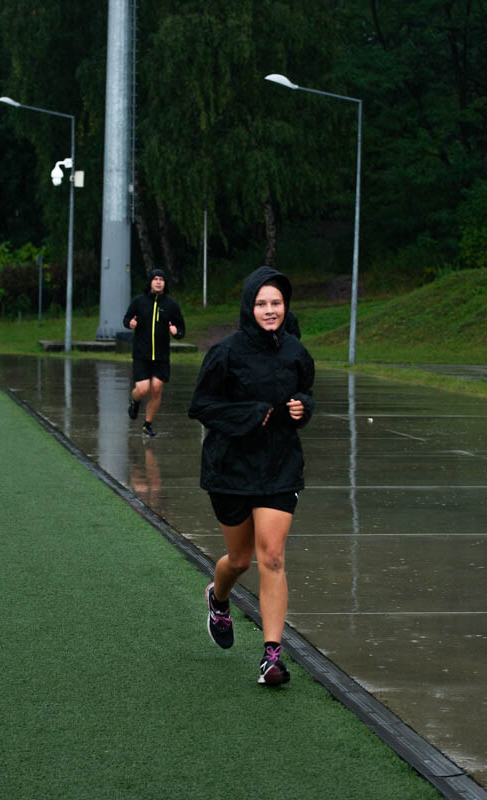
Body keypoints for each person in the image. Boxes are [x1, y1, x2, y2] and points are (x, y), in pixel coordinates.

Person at [188, 265, 315, 686]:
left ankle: (272, 656)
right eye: (261, 303)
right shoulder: (225, 353)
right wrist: (251, 414)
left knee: (272, 556)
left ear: (285, 305)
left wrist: (302, 408)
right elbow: (201, 406)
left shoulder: (296, 351)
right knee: (240, 559)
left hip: (280, 466)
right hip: (230, 469)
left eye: (276, 302)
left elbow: (304, 393)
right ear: (249, 306)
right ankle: (218, 597)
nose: (269, 310)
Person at [123, 268, 186, 437]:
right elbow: (126, 319)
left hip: (161, 356)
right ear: (150, 282)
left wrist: (176, 332)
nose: (158, 282)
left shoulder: (171, 305)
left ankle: (147, 424)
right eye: (155, 279)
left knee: (157, 388)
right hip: (141, 355)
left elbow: (181, 329)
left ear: (165, 284)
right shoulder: (139, 301)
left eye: (162, 279)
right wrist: (130, 323)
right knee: (142, 389)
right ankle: (135, 402)